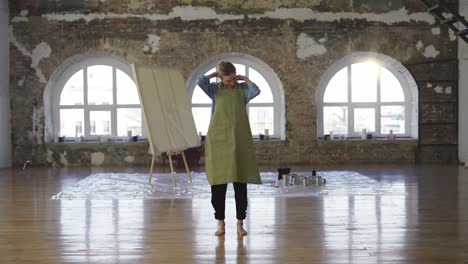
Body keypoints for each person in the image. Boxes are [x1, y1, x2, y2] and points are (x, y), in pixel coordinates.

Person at [197, 61, 262, 236]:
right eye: (228, 80)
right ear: (221, 78)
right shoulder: (215, 90)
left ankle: (240, 223)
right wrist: (214, 75)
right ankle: (220, 223)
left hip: (239, 140)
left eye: (233, 79)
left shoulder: (242, 90)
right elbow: (200, 82)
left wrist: (245, 79)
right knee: (218, 184)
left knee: (240, 183)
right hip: (218, 141)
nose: (231, 83)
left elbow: (256, 90)